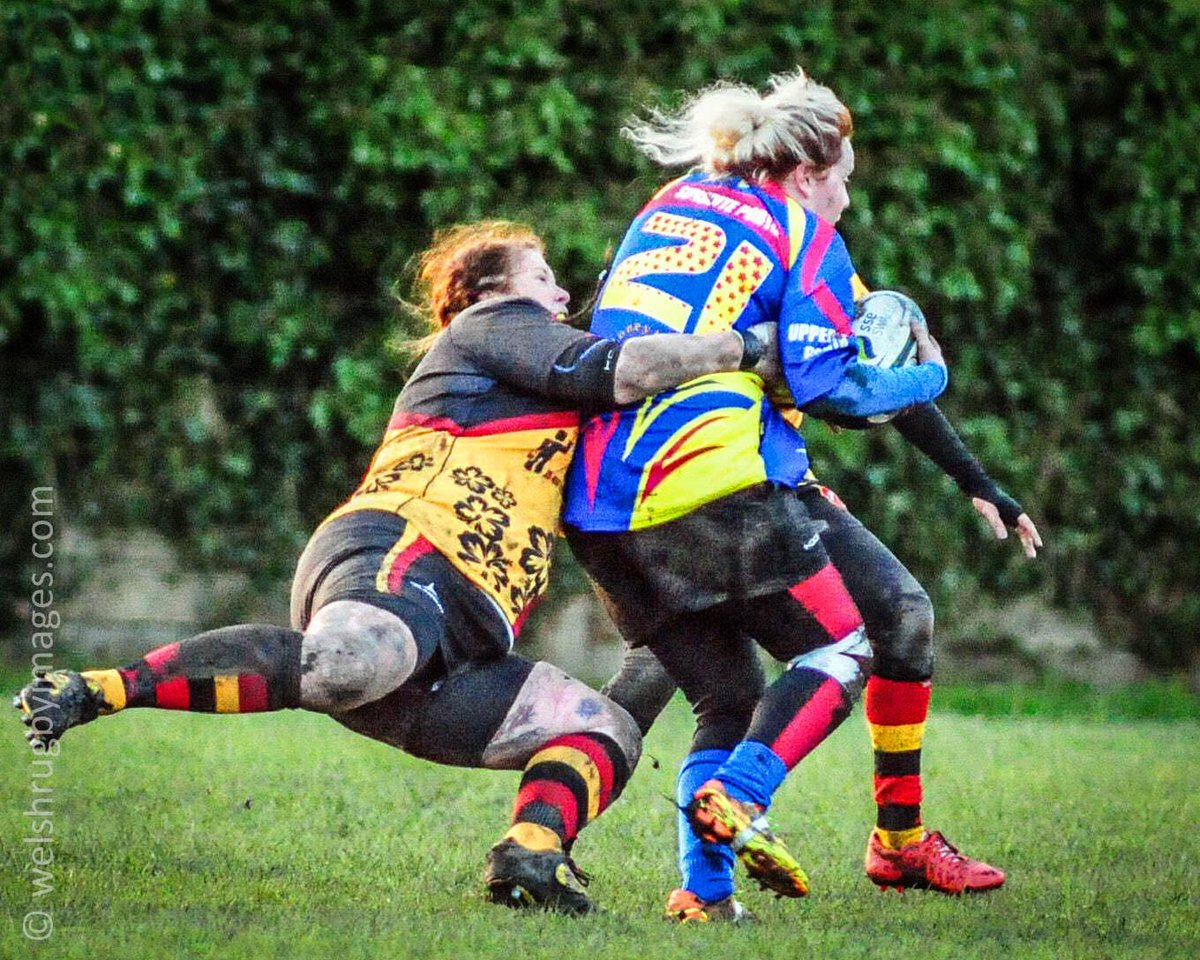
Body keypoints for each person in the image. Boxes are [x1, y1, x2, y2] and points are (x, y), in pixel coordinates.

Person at [13, 220, 776, 916]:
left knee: (601, 727)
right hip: (406, 548)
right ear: (486, 291)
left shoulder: (545, 381)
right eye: (543, 276)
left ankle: (531, 857)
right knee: (350, 661)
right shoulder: (493, 327)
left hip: (469, 628)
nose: (563, 293)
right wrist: (744, 347)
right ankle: (96, 689)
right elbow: (627, 369)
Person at [561, 69, 961, 919]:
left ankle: (704, 895)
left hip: (596, 502)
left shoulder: (672, 203)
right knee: (840, 648)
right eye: (845, 181)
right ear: (810, 171)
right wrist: (930, 371)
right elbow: (833, 390)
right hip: (702, 483)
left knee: (728, 696)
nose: (847, 201)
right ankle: (745, 793)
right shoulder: (802, 232)